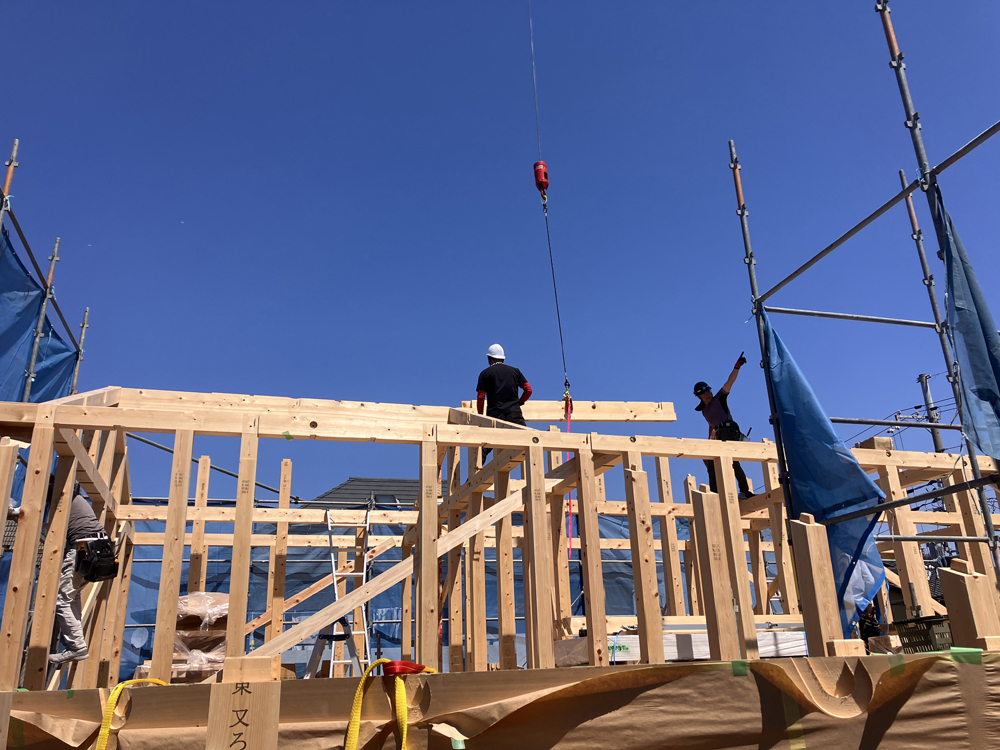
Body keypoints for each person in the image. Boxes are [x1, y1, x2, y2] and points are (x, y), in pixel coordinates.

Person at [50, 490, 104, 664]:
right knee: (73, 596)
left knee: (62, 600)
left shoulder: (61, 496)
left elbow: (48, 524)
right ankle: (76, 642)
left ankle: (76, 647)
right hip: (99, 549)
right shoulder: (76, 499)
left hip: (84, 549)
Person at [694, 351, 754, 499]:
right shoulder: (704, 411)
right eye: (705, 393)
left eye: (709, 391)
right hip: (719, 433)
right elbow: (711, 426)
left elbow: (730, 382)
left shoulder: (719, 399)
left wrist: (737, 367)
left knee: (732, 461)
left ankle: (745, 491)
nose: (708, 394)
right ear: (699, 396)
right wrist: (709, 444)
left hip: (728, 430)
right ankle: (715, 495)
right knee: (712, 464)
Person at [476, 344, 532, 425]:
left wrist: (480, 416)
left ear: (489, 359)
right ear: (503, 358)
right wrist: (520, 401)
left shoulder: (485, 374)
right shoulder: (515, 372)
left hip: (495, 416)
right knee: (522, 433)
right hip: (515, 414)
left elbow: (481, 396)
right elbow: (528, 390)